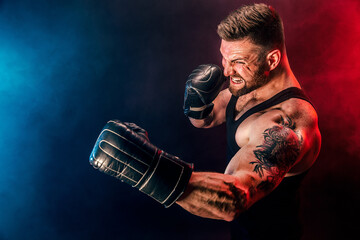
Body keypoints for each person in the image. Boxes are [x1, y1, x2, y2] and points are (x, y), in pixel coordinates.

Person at [89, 3, 321, 240]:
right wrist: (196, 103)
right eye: (224, 58)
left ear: (272, 60)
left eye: (238, 61)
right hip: (241, 233)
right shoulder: (248, 85)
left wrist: (148, 168)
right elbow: (206, 119)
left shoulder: (287, 122)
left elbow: (234, 199)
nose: (227, 72)